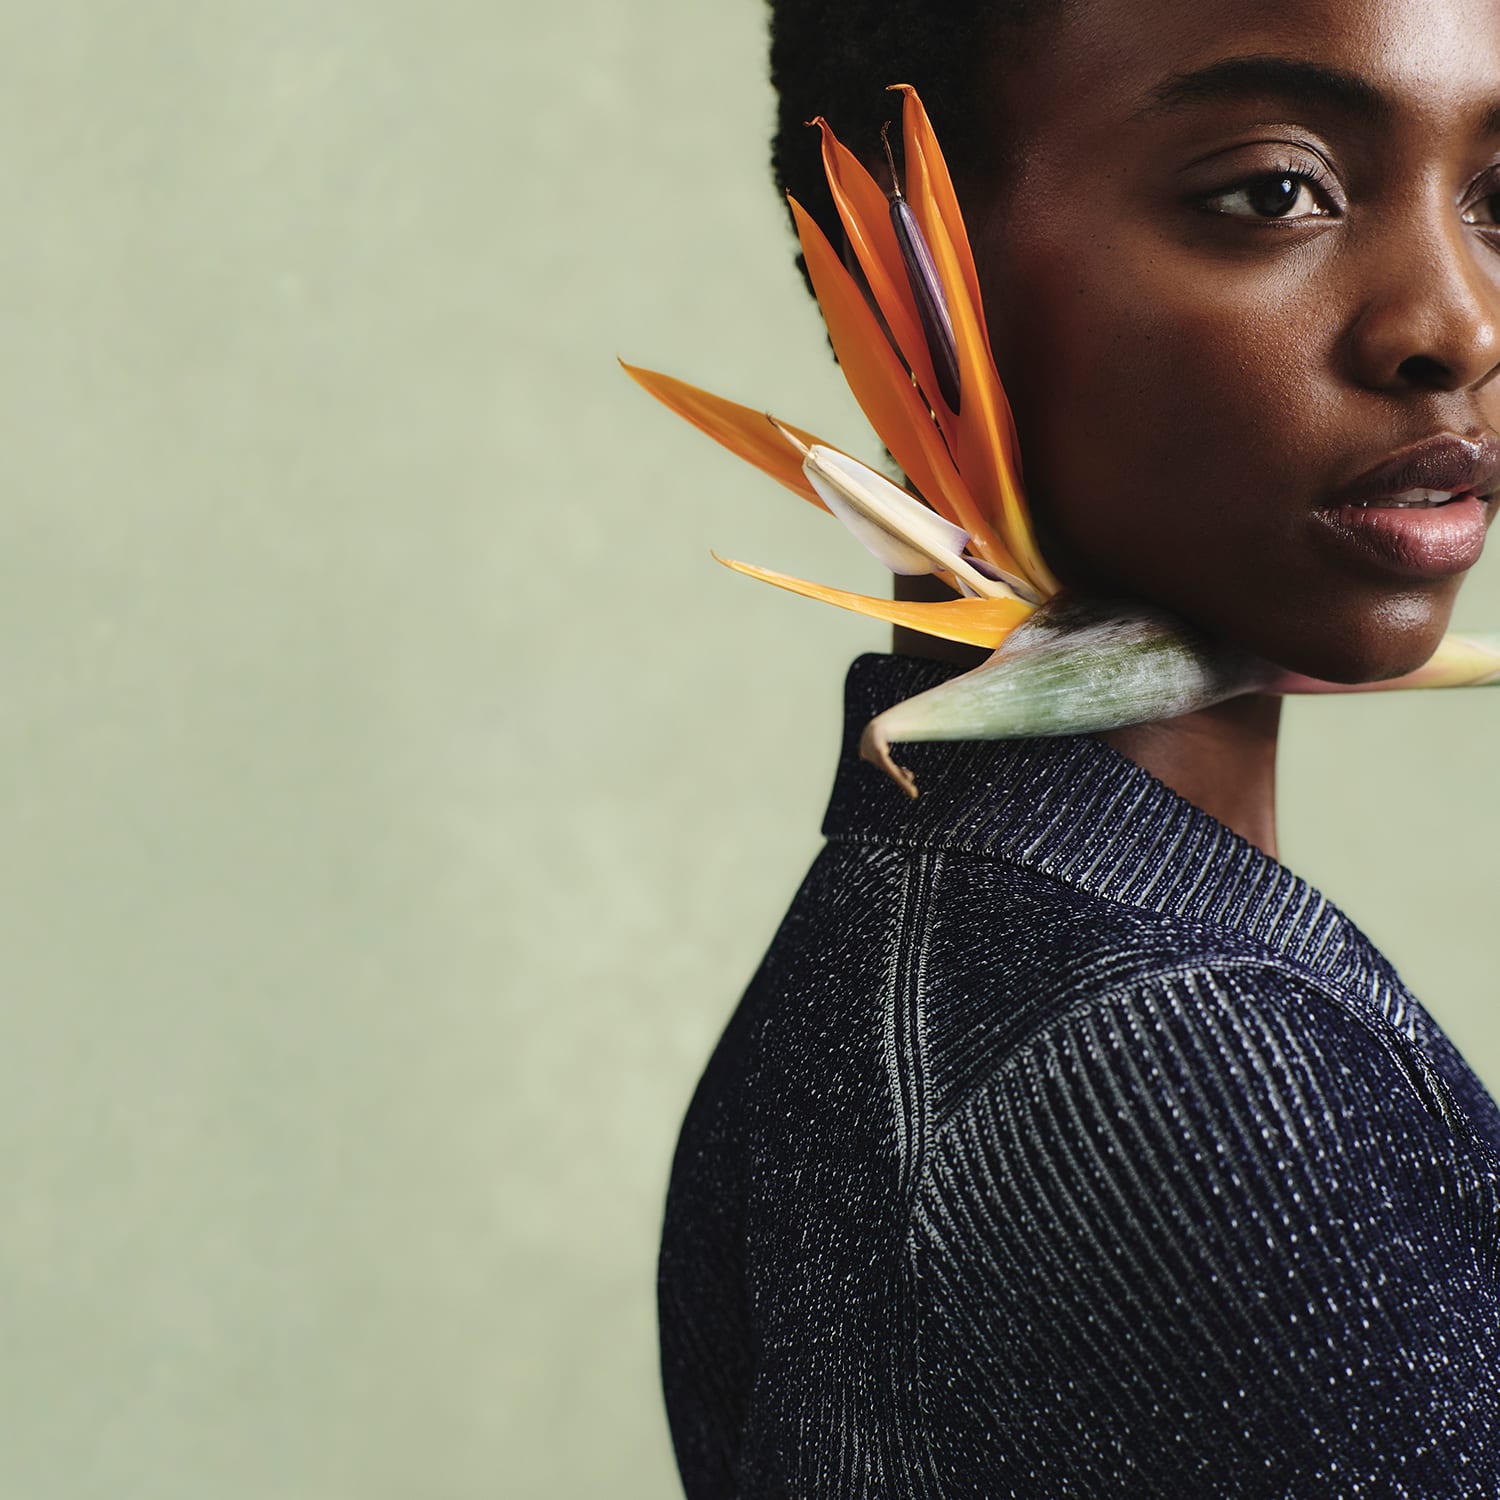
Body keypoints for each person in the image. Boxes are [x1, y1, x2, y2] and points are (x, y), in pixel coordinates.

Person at [658, 0, 1500, 1493]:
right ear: (902, 265)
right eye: (1273, 190)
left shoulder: (916, 938)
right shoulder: (1180, 1056)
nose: (1454, 328)